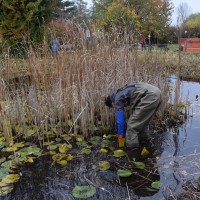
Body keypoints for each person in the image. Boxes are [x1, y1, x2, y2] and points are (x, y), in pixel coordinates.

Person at [105, 83, 162, 148]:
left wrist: (120, 138)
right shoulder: (123, 90)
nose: (116, 107)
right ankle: (144, 142)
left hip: (149, 96)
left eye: (113, 106)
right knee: (143, 122)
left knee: (132, 126)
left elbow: (120, 122)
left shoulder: (117, 99)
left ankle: (132, 150)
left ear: (112, 102)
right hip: (157, 92)